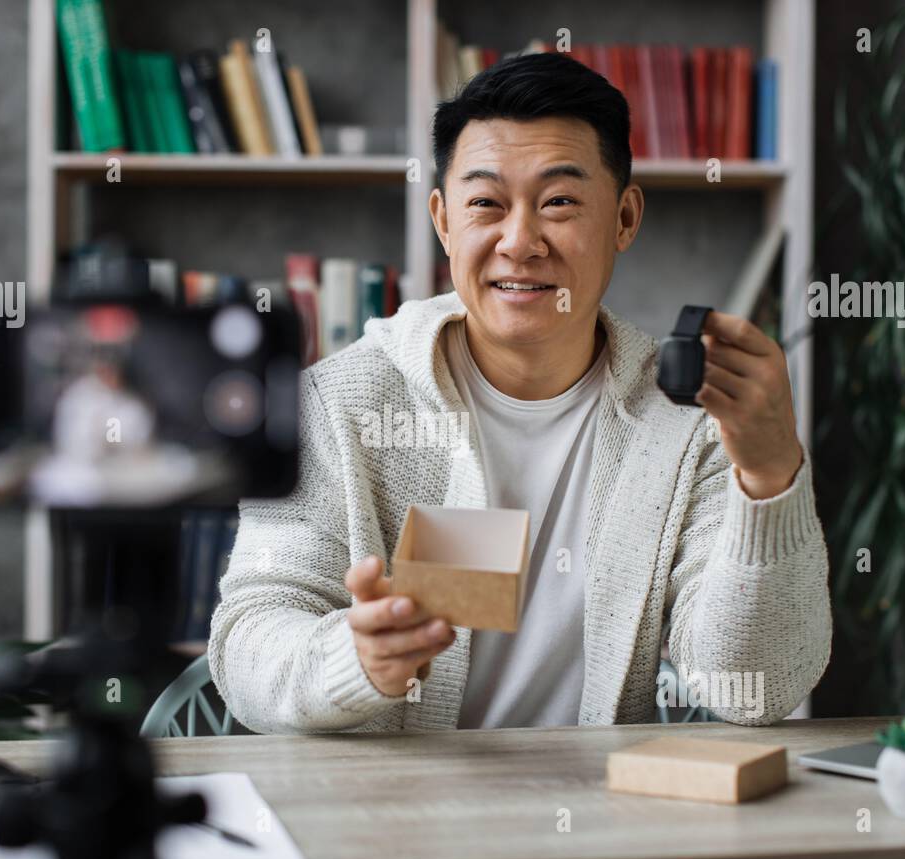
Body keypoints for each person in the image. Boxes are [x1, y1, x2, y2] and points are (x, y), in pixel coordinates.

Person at [209, 52, 831, 733]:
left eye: (560, 202)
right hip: (386, 822)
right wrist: (352, 659)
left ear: (624, 218)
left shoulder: (687, 420)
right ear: (444, 220)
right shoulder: (336, 405)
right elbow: (247, 641)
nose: (519, 241)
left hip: (600, 820)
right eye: (486, 204)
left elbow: (754, 689)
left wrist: (770, 474)